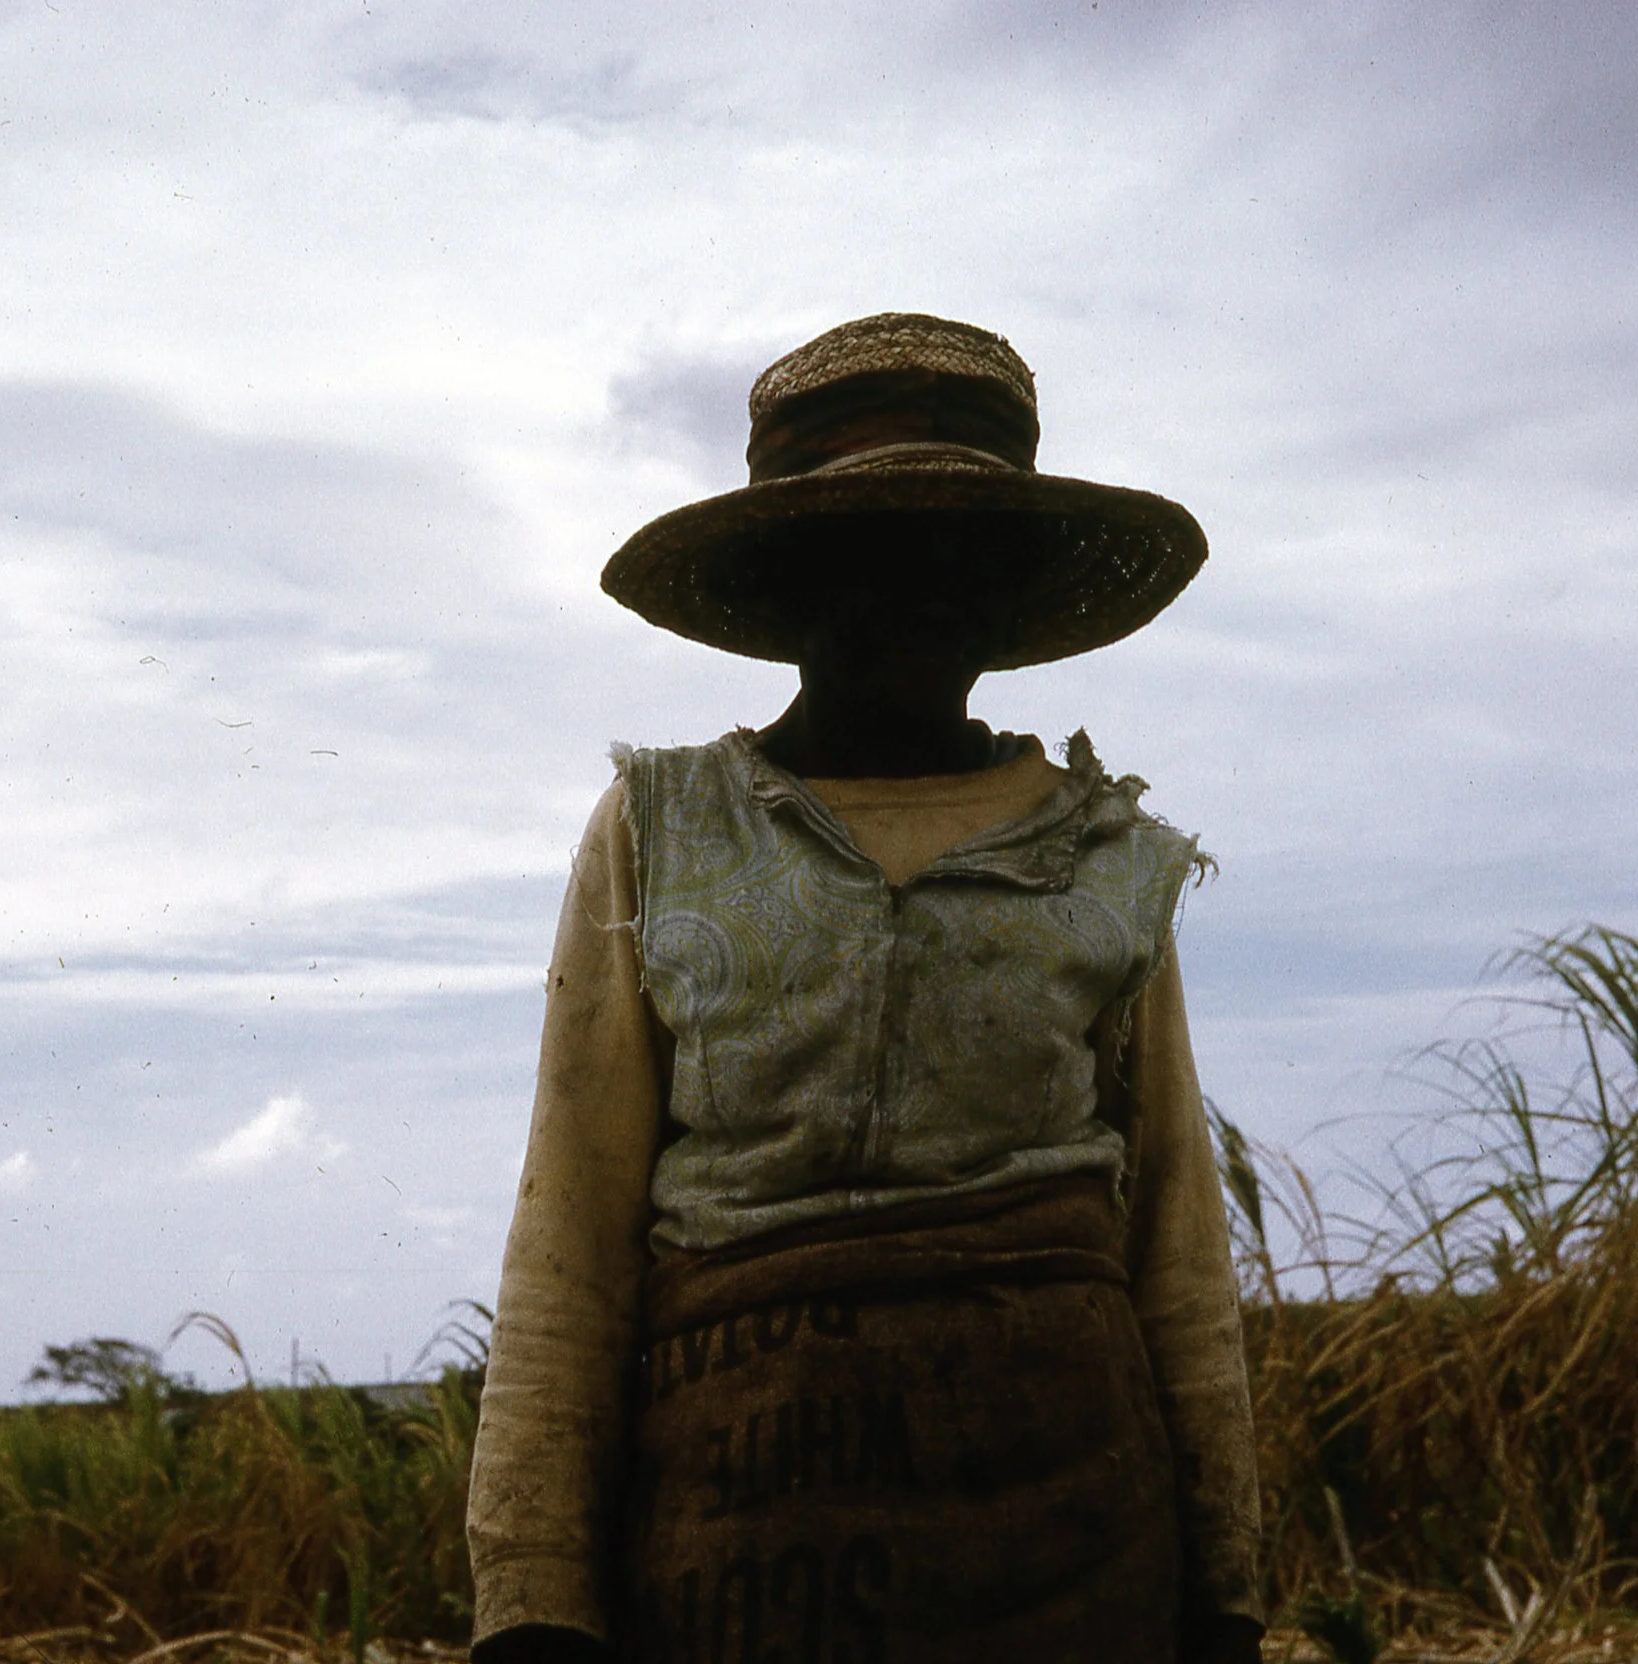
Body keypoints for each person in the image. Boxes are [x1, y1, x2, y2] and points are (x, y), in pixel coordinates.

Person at [465, 313, 1266, 1662]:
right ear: (791, 583)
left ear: (1006, 594)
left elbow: (1176, 1238)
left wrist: (1228, 1589)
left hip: (1071, 1543)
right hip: (733, 1552)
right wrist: (533, 1595)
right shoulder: (662, 829)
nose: (912, 599)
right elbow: (570, 1234)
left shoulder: (1102, 855)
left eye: (958, 559)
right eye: (866, 557)